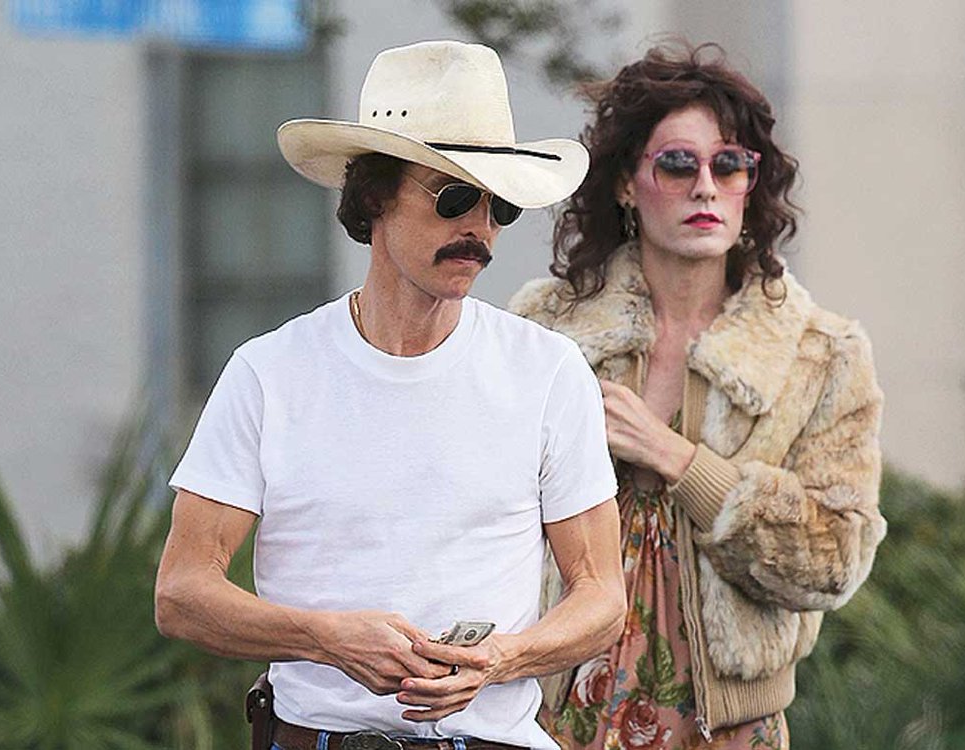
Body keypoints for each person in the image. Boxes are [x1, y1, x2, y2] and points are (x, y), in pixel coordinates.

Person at [154, 40, 626, 750]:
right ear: (375, 196)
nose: (479, 228)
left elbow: (601, 595)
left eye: (499, 205)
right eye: (454, 197)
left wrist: (500, 659)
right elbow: (182, 593)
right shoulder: (270, 373)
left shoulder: (547, 371)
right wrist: (325, 638)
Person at [509, 41, 886, 749]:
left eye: (730, 164)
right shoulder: (545, 329)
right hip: (557, 710)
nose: (706, 187)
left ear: (751, 184)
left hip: (728, 728)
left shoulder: (820, 354)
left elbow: (836, 558)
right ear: (627, 184)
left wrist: (683, 463)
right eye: (678, 164)